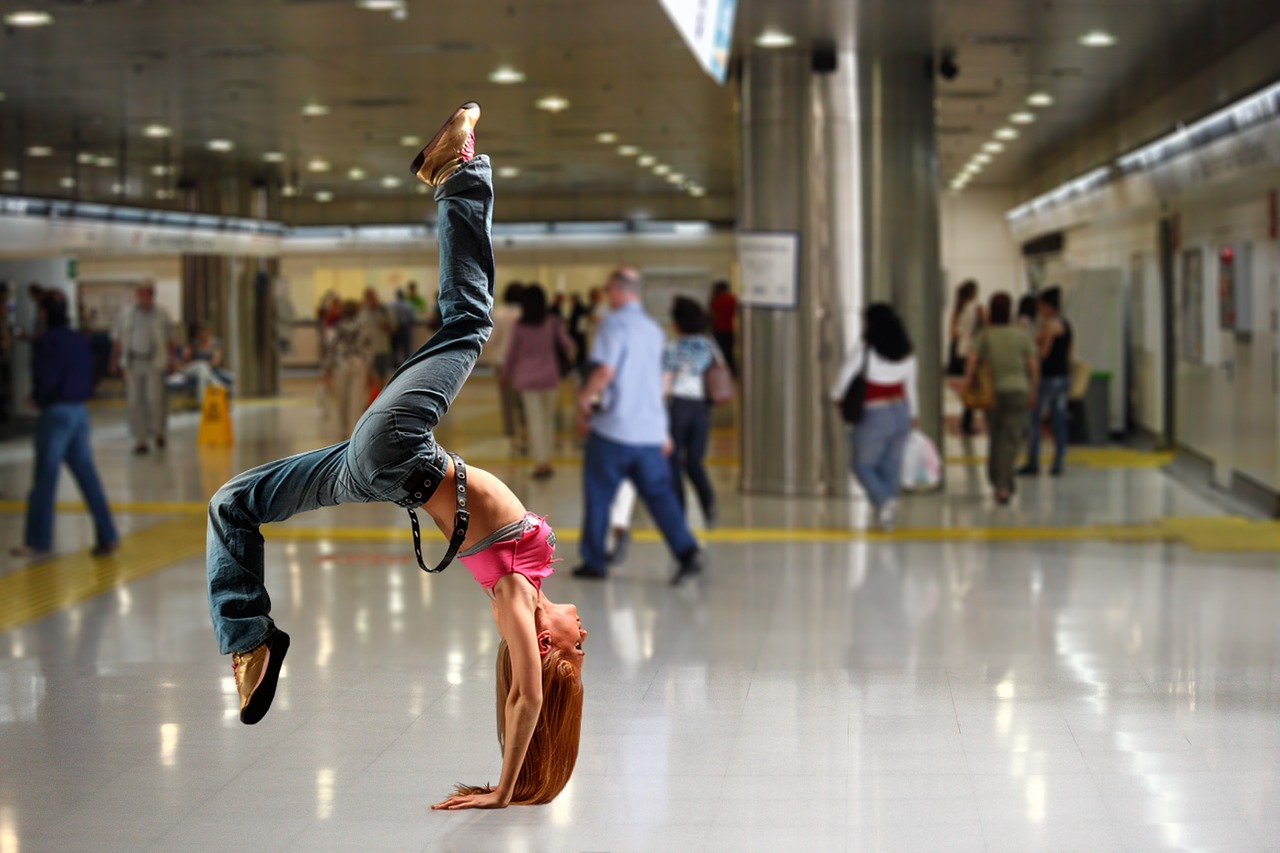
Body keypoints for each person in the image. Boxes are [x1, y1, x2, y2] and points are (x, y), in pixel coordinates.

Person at [206, 103, 585, 810]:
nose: (581, 631)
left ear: (546, 645)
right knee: (234, 501)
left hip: (400, 452)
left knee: (469, 321)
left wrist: (506, 789)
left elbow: (528, 698)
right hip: (374, 469)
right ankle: (250, 640)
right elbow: (522, 696)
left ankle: (459, 171)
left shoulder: (514, 600)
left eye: (575, 647)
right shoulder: (524, 585)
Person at [572, 267, 705, 585]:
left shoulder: (612, 326)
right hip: (648, 431)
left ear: (616, 291)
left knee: (599, 494)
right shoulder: (654, 331)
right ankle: (686, 551)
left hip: (613, 430)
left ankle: (594, 561)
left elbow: (605, 371)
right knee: (659, 494)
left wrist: (584, 399)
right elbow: (661, 383)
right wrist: (662, 430)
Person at [11, 290, 118, 560]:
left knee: (44, 480)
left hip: (56, 414)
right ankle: (107, 534)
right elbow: (91, 371)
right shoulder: (78, 339)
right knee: (87, 476)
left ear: (44, 313)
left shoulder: (46, 342)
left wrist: (36, 397)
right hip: (79, 413)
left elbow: (47, 378)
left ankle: (38, 541)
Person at [830, 303, 918, 532]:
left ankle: (884, 500)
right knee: (891, 464)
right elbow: (911, 388)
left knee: (861, 465)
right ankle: (887, 514)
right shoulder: (906, 351)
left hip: (874, 414)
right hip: (900, 413)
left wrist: (836, 396)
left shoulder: (865, 348)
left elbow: (844, 376)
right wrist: (913, 416)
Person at [965, 292, 1038, 504]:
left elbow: (972, 360)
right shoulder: (1021, 335)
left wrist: (968, 383)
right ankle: (1004, 486)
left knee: (995, 438)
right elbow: (1033, 366)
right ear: (1010, 311)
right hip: (1018, 391)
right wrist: (1033, 391)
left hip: (992, 394)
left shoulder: (985, 335)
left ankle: (997, 481)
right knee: (1010, 439)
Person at [504, 283, 574, 480]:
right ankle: (547, 460)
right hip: (550, 378)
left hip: (526, 379)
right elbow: (568, 344)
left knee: (534, 421)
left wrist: (505, 374)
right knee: (547, 420)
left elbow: (511, 354)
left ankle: (540, 462)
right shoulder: (551, 322)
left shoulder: (519, 326)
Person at [663, 297, 718, 526]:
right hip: (701, 408)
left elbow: (664, 382)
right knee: (695, 461)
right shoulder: (708, 345)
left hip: (678, 406)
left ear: (677, 323)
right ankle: (709, 504)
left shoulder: (673, 348)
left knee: (673, 460)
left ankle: (679, 511)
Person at [111, 282, 174, 454]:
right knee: (134, 402)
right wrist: (114, 360)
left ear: (152, 295)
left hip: (154, 361)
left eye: (148, 293)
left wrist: (171, 361)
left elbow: (169, 340)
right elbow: (117, 339)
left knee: (155, 399)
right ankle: (141, 439)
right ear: (138, 294)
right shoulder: (127, 314)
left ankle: (159, 432)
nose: (144, 297)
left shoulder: (161, 314)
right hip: (133, 361)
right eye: (141, 293)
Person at [1019, 286, 1073, 476]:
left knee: (1034, 419)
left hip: (1047, 378)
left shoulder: (1050, 325)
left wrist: (1033, 350)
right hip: (1063, 376)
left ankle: (1032, 462)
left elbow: (1043, 353)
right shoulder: (1066, 324)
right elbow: (1068, 352)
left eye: (1041, 306)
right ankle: (1058, 462)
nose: (1039, 310)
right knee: (1059, 420)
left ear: (1047, 306)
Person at [484, 282, 527, 455]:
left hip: (502, 362)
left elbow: (492, 338)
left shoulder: (499, 314)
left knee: (507, 402)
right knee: (523, 401)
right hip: (523, 363)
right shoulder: (525, 313)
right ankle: (525, 432)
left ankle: (513, 439)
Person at [322, 299, 373, 437]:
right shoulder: (363, 327)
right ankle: (354, 431)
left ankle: (343, 429)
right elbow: (368, 349)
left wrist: (326, 368)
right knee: (356, 400)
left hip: (341, 364)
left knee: (342, 399)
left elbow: (331, 348)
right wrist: (369, 368)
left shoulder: (338, 327)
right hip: (359, 363)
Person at [947, 279, 985, 435]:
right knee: (973, 388)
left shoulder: (957, 310)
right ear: (973, 293)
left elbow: (953, 335)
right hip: (973, 352)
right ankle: (967, 423)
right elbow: (986, 327)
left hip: (960, 352)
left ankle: (966, 422)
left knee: (967, 387)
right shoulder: (978, 308)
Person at [166, 325, 234, 402]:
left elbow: (216, 360)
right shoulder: (193, 344)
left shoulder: (214, 343)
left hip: (207, 370)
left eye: (203, 333)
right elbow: (184, 360)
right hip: (190, 369)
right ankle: (220, 387)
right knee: (202, 365)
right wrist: (186, 355)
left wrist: (208, 365)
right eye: (199, 334)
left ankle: (201, 402)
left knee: (202, 374)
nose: (201, 335)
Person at [359, 287, 395, 388]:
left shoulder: (384, 312)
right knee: (367, 376)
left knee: (382, 375)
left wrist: (386, 326)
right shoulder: (362, 313)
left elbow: (393, 330)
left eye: (373, 297)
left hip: (382, 348)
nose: (372, 301)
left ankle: (381, 396)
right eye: (369, 298)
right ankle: (369, 400)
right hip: (366, 351)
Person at [708, 280, 738, 376]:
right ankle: (732, 371)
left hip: (717, 329)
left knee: (718, 353)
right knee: (729, 352)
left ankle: (721, 372)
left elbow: (712, 314)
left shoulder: (715, 299)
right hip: (729, 329)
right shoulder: (732, 299)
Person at [389, 288, 416, 366]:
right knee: (406, 347)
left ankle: (395, 365)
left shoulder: (391, 304)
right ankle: (407, 364)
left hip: (394, 328)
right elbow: (411, 317)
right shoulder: (407, 305)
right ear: (403, 296)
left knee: (394, 348)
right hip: (404, 327)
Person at [567, 292, 590, 375]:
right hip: (577, 332)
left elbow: (575, 321)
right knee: (579, 350)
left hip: (578, 332)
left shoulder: (579, 308)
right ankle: (578, 366)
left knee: (580, 350)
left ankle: (580, 367)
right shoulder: (576, 307)